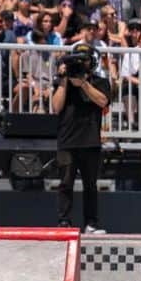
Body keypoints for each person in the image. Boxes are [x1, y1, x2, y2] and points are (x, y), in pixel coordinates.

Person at [51, 40, 111, 235]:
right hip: (67, 140)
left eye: (84, 60)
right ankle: (63, 222)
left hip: (90, 141)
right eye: (78, 60)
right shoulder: (62, 81)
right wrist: (65, 81)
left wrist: (83, 84)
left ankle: (91, 223)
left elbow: (102, 102)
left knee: (90, 185)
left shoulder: (100, 82)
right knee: (65, 183)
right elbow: (56, 107)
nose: (81, 64)